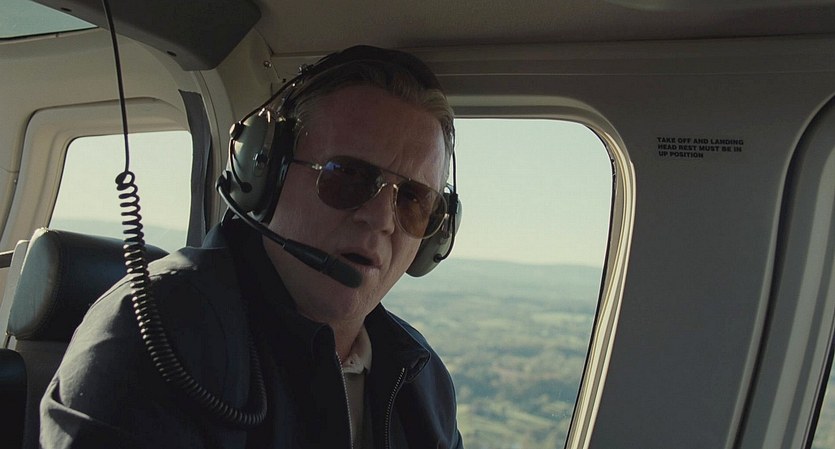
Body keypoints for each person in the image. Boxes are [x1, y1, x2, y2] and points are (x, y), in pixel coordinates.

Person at [40, 45, 463, 448]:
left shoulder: (420, 378)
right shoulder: (157, 333)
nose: (382, 219)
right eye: (348, 175)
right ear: (266, 171)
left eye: (413, 199)